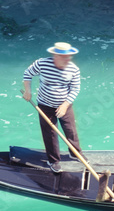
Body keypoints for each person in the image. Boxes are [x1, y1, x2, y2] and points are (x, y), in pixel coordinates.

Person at [22, 42, 82, 173]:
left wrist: (65, 105)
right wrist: (28, 91)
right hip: (45, 105)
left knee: (70, 130)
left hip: (65, 105)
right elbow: (28, 74)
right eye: (65, 57)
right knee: (50, 134)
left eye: (69, 56)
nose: (68, 59)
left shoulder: (73, 69)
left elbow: (75, 89)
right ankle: (53, 160)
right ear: (56, 56)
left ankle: (75, 153)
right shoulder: (42, 63)